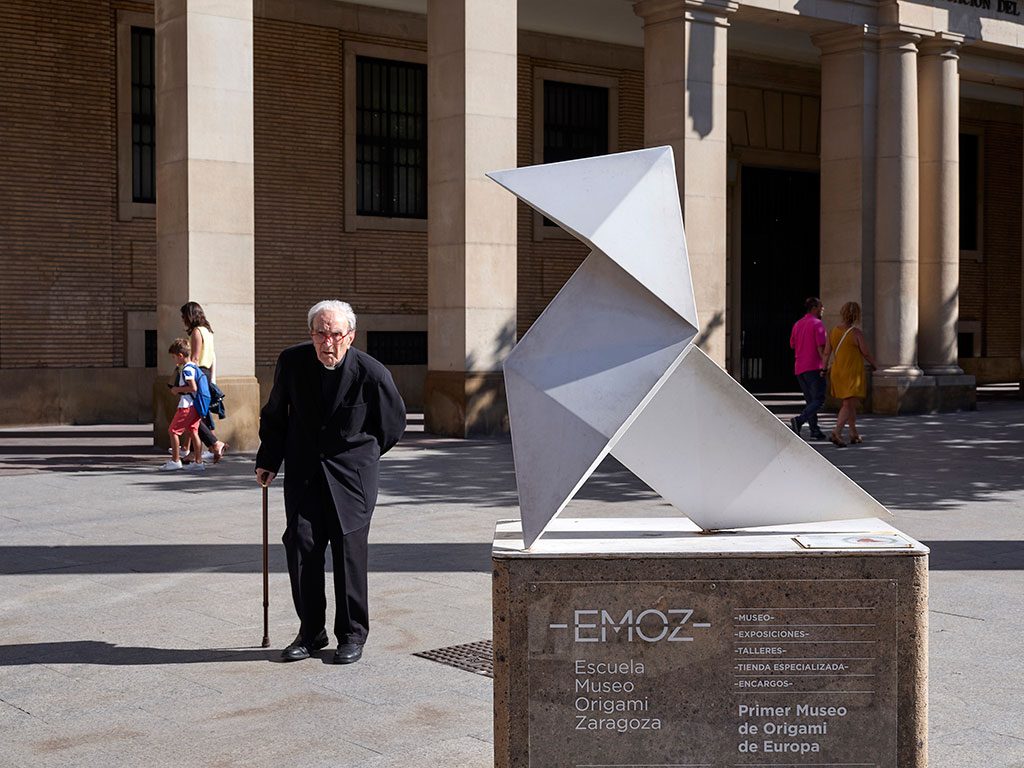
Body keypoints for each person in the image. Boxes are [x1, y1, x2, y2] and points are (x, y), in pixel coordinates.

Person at [255, 300, 406, 664]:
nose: (328, 341)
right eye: (321, 333)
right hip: (305, 475)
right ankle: (311, 632)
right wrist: (269, 460)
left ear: (350, 336)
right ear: (311, 335)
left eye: (336, 334)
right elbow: (276, 415)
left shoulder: (372, 373)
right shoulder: (292, 363)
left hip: (352, 479)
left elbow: (392, 425)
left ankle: (352, 633)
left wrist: (361, 458)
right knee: (301, 547)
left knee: (348, 554)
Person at [822, 301, 878, 447]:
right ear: (856, 316)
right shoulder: (856, 333)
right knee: (848, 404)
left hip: (837, 371)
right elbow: (865, 352)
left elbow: (827, 352)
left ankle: (854, 434)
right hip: (851, 372)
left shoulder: (833, 331)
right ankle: (837, 432)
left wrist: (823, 368)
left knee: (849, 404)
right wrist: (875, 364)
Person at [180, 302, 229, 463]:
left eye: (183, 316)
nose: (182, 319)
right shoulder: (207, 331)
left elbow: (194, 357)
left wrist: (185, 375)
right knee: (198, 413)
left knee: (191, 414)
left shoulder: (196, 332)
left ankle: (215, 443)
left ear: (190, 315)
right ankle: (194, 453)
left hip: (197, 374)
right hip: (205, 374)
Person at [161, 338, 206, 472]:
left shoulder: (186, 369)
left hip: (187, 405)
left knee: (173, 431)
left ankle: (175, 460)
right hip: (196, 405)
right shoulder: (193, 366)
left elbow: (193, 387)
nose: (174, 360)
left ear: (180, 356)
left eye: (174, 357)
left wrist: (177, 389)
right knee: (193, 431)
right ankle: (198, 462)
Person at [788, 297, 828, 441]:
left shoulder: (798, 324)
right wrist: (825, 366)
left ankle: (814, 429)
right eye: (821, 307)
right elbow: (821, 347)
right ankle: (799, 420)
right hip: (814, 366)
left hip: (800, 367)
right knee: (819, 399)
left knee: (810, 400)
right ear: (815, 307)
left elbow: (792, 344)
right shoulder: (817, 324)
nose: (823, 309)